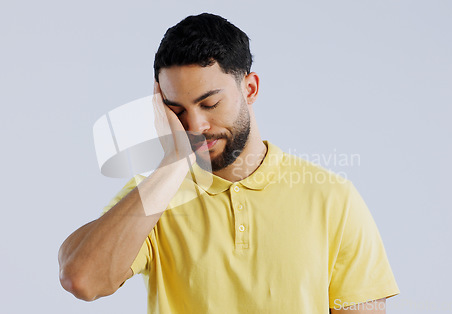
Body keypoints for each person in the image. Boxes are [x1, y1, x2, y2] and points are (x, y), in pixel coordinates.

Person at [58, 13, 400, 313]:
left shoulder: (333, 198)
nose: (195, 126)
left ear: (249, 89)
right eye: (177, 111)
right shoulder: (153, 196)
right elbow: (82, 279)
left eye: (209, 104)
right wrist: (174, 164)